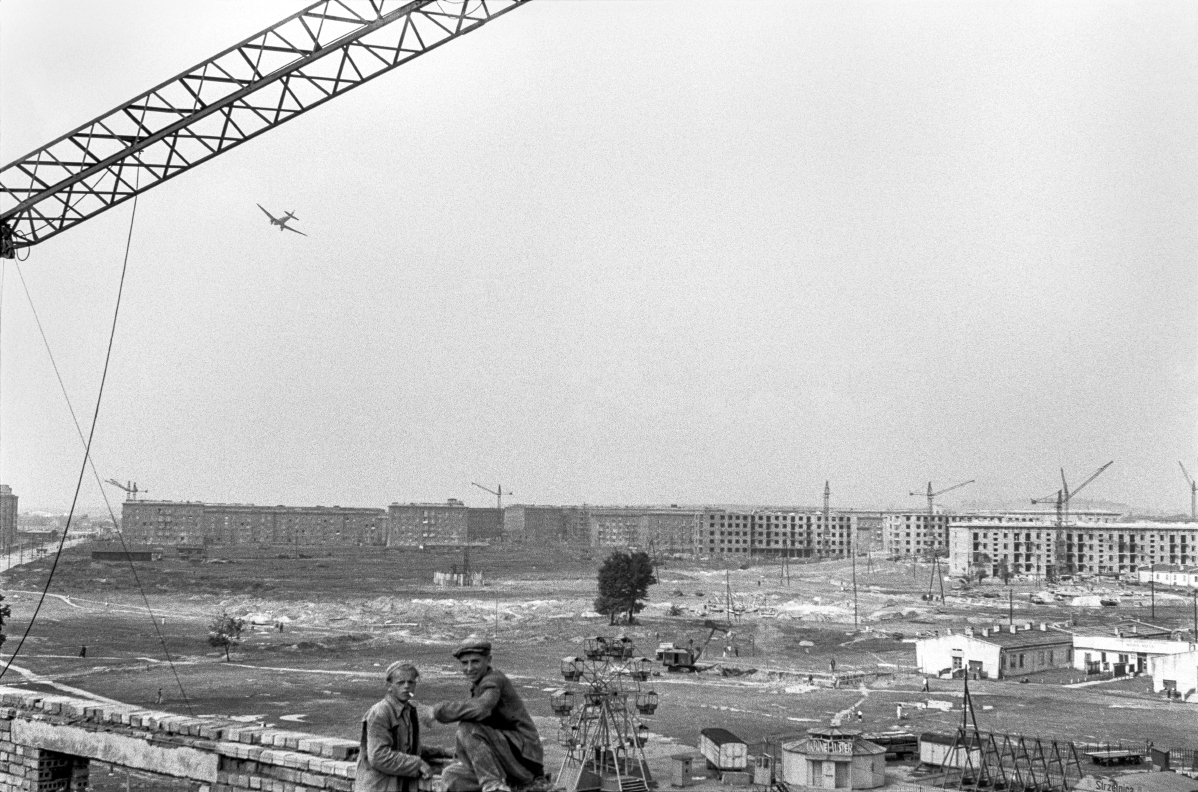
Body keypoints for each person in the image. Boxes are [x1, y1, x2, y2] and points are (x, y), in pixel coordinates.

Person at [433, 638, 545, 792]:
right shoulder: (480, 684)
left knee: (467, 727)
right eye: (465, 663)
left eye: (475, 662)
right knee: (451, 776)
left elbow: (481, 708)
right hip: (505, 759)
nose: (469, 668)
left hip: (524, 760)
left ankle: (493, 786)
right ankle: (504, 784)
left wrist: (437, 711)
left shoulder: (493, 680)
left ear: (489, 660)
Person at [355, 661, 435, 792]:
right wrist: (417, 763)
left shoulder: (408, 710)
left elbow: (406, 748)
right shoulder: (380, 713)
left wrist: (444, 753)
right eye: (400, 682)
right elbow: (379, 756)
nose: (406, 687)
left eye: (411, 682)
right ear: (389, 686)